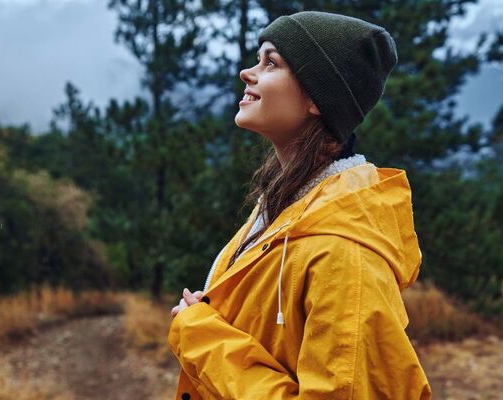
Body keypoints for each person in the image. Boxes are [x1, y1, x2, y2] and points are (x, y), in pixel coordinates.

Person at [167, 10, 431, 399]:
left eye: (270, 62)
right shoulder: (282, 209)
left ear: (317, 97)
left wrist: (201, 337)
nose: (247, 73)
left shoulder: (344, 251)